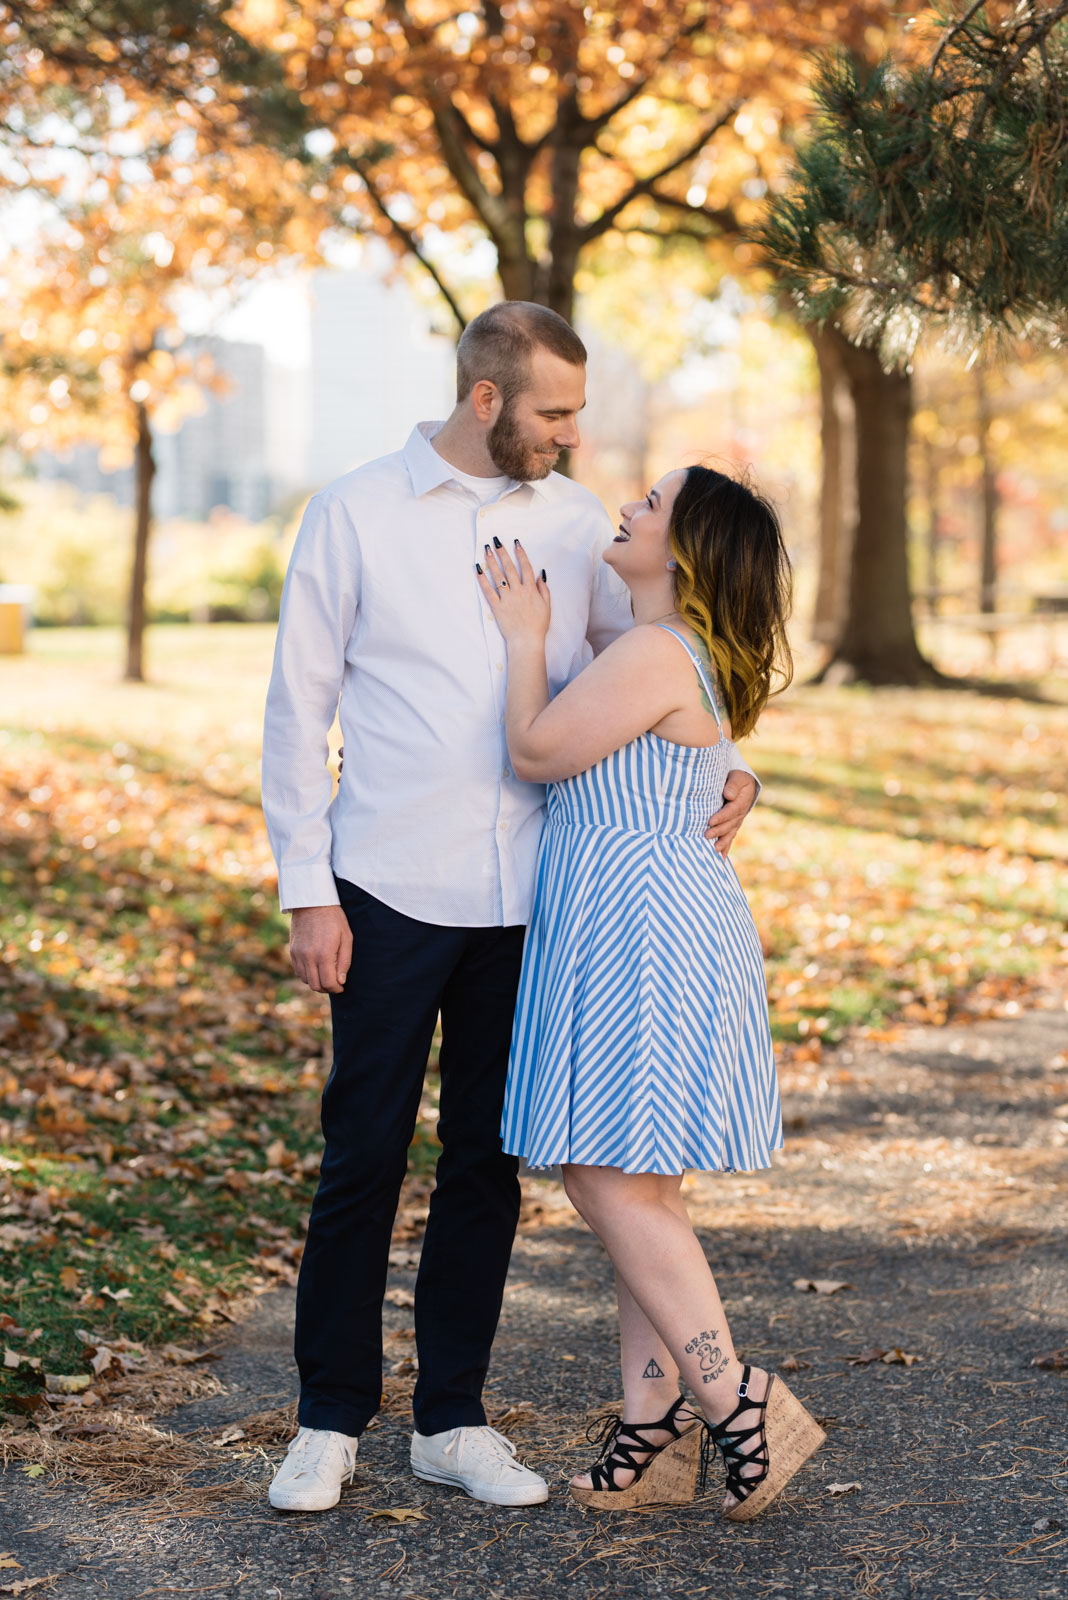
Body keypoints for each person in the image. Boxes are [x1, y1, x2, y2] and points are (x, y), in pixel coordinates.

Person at [260, 302, 760, 1514]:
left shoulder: (580, 523)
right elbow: (297, 705)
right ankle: (329, 1418)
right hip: (386, 885)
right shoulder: (357, 511)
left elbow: (653, 658)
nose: (572, 436)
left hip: (537, 899)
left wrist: (730, 764)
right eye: (554, 412)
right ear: (488, 400)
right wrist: (306, 888)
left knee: (486, 1162)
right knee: (363, 1154)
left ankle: (454, 1418)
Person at [481, 463, 825, 1521]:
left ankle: (736, 1396)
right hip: (647, 917)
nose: (628, 506)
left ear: (682, 553)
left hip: (641, 930)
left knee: (606, 1183)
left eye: (652, 503)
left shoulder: (651, 650)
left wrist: (524, 638)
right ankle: (652, 1421)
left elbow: (539, 749)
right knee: (641, 1184)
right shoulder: (670, 653)